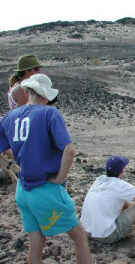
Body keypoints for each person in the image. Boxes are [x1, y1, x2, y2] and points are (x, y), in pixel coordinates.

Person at [0, 74, 92, 264]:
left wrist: (11, 167)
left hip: (23, 191)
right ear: (47, 95)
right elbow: (70, 149)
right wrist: (59, 178)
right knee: (79, 236)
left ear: (27, 92)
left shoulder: (9, 117)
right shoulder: (50, 113)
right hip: (45, 189)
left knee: (36, 242)